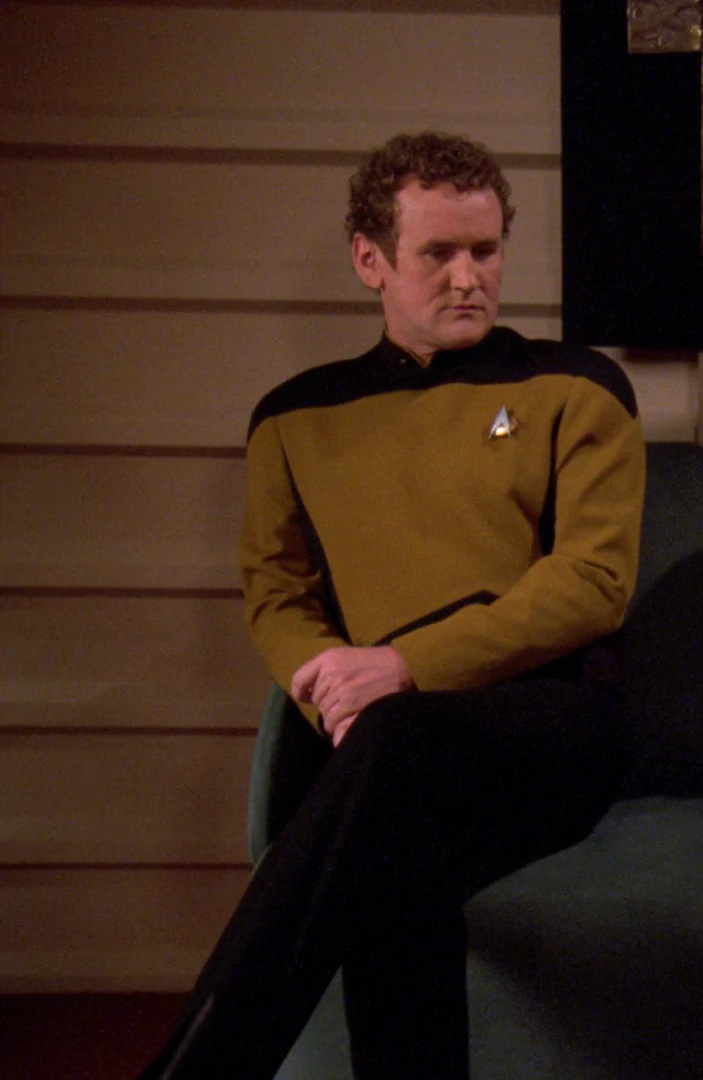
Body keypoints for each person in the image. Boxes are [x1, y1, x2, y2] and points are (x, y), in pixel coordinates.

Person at [141, 132, 646, 1080]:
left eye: (486, 251)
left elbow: (591, 586)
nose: (468, 277)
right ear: (369, 260)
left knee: (392, 756)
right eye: (437, 253)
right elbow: (278, 594)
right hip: (370, 737)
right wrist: (329, 692)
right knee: (395, 848)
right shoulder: (292, 418)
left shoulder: (578, 387)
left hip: (547, 721)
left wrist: (403, 670)